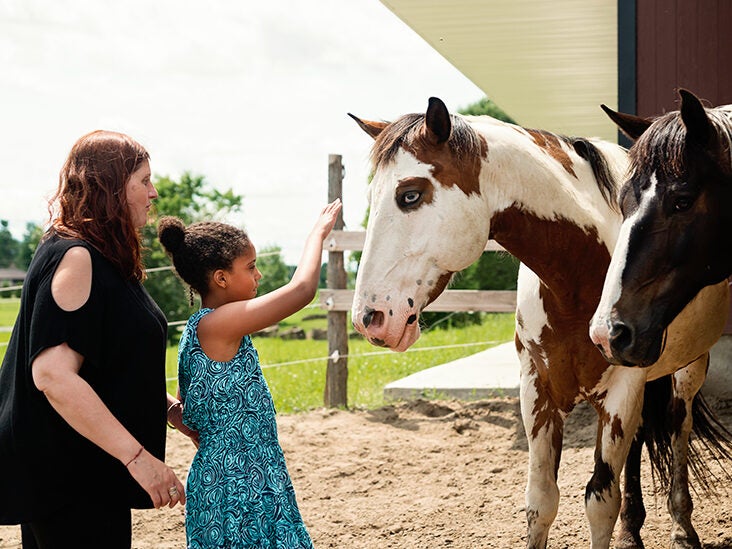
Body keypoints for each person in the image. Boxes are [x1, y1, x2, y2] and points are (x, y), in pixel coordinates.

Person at [0, 130, 197, 549]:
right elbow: (53, 375)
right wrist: (139, 459)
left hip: (76, 468)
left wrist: (165, 409)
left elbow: (102, 361)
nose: (154, 192)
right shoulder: (77, 257)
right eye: (143, 180)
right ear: (110, 186)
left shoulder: (96, 253)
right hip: (69, 476)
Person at [157, 197, 341, 548]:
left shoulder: (202, 330)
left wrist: (208, 430)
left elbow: (188, 411)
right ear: (221, 278)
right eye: (251, 267)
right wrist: (316, 235)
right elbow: (301, 291)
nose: (258, 275)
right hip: (238, 484)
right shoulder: (219, 324)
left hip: (238, 475)